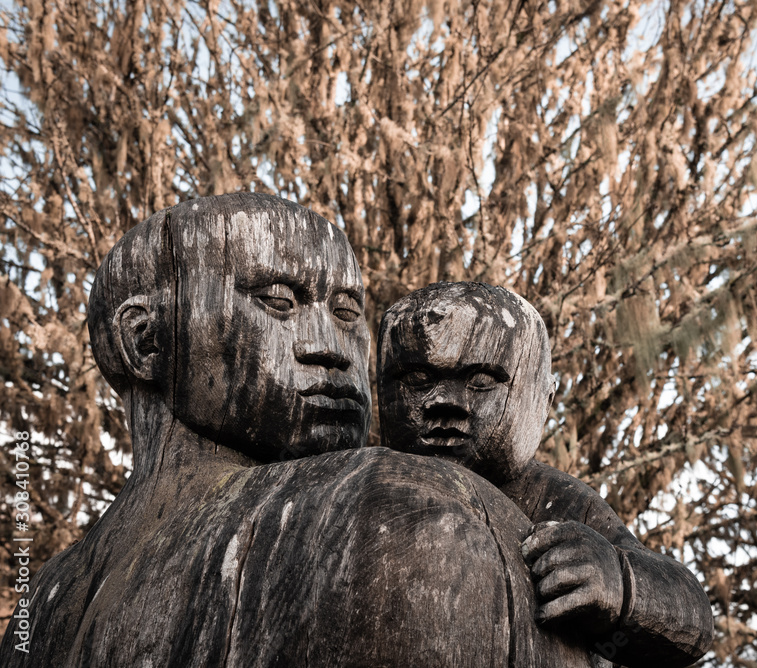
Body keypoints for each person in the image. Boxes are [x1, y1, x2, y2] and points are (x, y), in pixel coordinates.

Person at [0, 194, 594, 667]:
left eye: (346, 314)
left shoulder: (36, 609)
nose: (330, 349)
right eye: (279, 301)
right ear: (146, 341)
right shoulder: (387, 510)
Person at [378, 282, 714, 666]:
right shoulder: (363, 483)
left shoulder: (555, 499)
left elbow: (694, 619)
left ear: (543, 400)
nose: (445, 402)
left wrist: (621, 584)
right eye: (418, 380)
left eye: (482, 382)